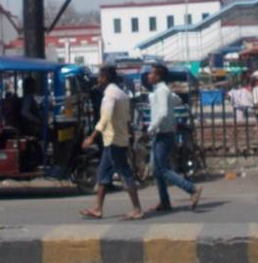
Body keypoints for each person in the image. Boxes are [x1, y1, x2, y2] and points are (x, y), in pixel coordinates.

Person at [80, 64, 142, 220]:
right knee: (103, 174)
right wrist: (129, 136)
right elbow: (128, 119)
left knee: (125, 174)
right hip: (117, 139)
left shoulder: (109, 95)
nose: (98, 80)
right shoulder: (122, 94)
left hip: (113, 140)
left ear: (105, 78)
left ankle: (137, 209)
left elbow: (105, 119)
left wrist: (91, 137)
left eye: (100, 77)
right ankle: (97, 209)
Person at [145, 64, 202, 213]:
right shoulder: (161, 91)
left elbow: (163, 112)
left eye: (151, 73)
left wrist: (151, 127)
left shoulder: (162, 90)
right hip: (161, 133)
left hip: (163, 134)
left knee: (162, 169)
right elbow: (175, 101)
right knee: (156, 170)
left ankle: (192, 189)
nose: (149, 76)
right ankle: (164, 202)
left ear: (158, 76)